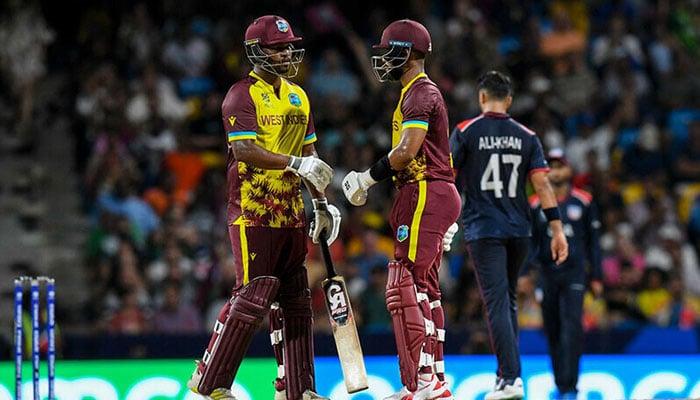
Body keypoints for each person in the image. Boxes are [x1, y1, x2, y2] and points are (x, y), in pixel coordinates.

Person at [187, 15, 340, 400]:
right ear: (257, 51)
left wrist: (321, 205)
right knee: (254, 294)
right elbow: (244, 149)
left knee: (296, 301)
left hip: (291, 212)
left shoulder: (298, 95)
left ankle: (299, 388)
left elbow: (310, 155)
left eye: (290, 46)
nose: (288, 52)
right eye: (279, 46)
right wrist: (294, 164)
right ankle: (210, 381)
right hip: (252, 210)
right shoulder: (241, 94)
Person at [342, 19, 461, 400]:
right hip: (432, 192)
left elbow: (409, 150)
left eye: (387, 51)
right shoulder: (420, 92)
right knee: (425, 286)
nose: (382, 59)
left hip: (423, 191)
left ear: (405, 52)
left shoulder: (418, 93)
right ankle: (435, 379)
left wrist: (366, 177)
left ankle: (419, 382)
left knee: (404, 281)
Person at [449, 70, 568, 400]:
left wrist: (445, 222)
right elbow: (543, 184)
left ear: (482, 98)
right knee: (509, 301)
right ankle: (507, 375)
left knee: (497, 302)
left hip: (484, 228)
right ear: (510, 101)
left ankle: (512, 379)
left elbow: (447, 179)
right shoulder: (526, 135)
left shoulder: (466, 131)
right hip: (520, 229)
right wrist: (557, 229)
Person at [523, 148, 602, 400]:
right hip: (547, 273)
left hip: (574, 273)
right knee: (553, 329)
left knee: (572, 327)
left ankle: (571, 386)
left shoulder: (584, 201)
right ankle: (561, 384)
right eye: (551, 166)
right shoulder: (535, 203)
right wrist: (525, 273)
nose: (555, 171)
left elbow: (594, 243)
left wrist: (597, 277)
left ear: (569, 170)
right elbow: (529, 242)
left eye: (560, 166)